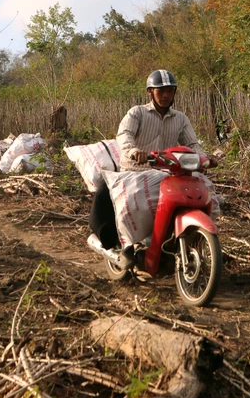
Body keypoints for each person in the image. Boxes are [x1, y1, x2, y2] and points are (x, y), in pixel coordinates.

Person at [88, 69, 215, 261]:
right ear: (150, 92)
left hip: (167, 172)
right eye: (160, 91)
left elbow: (192, 144)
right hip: (135, 170)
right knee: (110, 195)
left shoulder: (181, 119)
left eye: (170, 91)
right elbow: (124, 134)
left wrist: (205, 158)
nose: (165, 95)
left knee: (205, 194)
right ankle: (117, 242)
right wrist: (133, 151)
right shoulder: (137, 112)